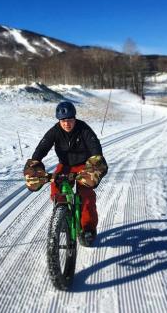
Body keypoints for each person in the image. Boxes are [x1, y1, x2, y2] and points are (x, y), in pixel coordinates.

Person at [23, 101, 108, 247]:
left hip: (84, 165)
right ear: (59, 120)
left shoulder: (84, 129)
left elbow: (95, 148)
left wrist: (95, 164)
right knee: (56, 186)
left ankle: (87, 228)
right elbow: (42, 147)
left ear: (75, 118)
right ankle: (62, 213)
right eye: (63, 120)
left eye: (69, 119)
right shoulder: (55, 131)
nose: (66, 123)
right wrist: (35, 163)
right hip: (65, 165)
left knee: (86, 195)